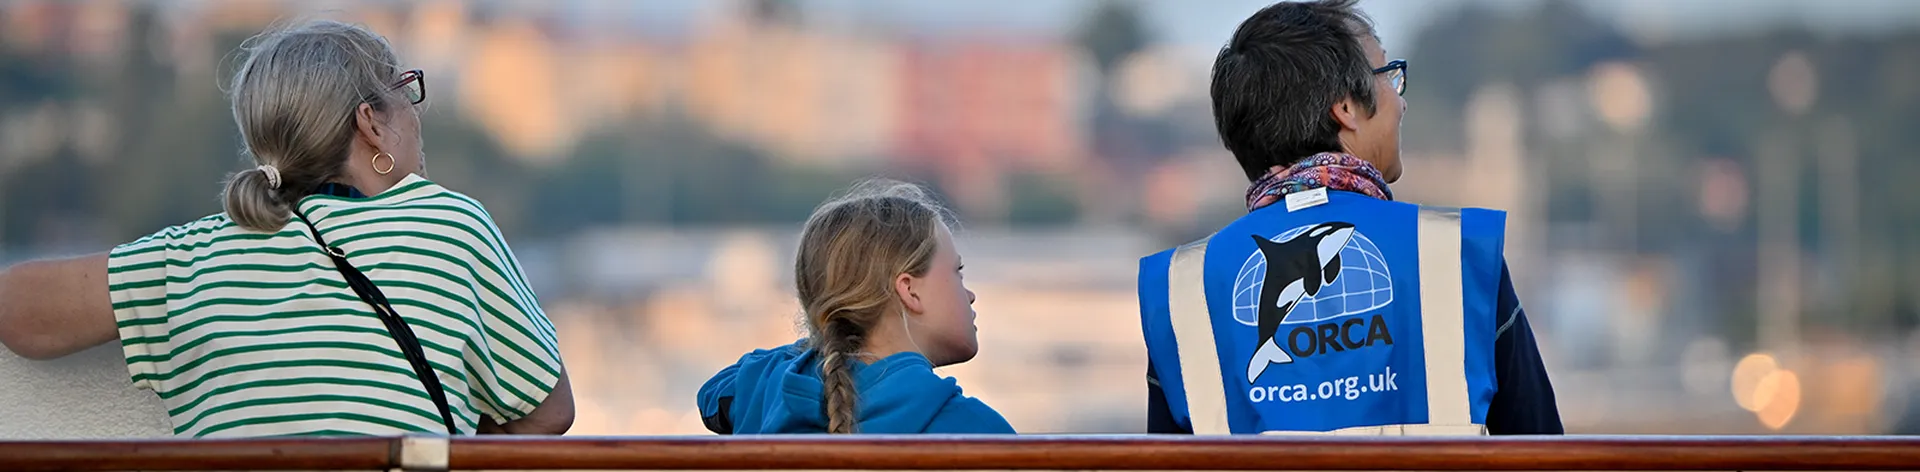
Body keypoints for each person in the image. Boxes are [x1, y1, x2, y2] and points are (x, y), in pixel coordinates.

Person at [0, 20, 572, 437]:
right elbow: (549, 412)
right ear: (371, 124)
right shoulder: (450, 224)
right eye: (406, 94)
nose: (416, 116)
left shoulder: (191, 256)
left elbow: (16, 308)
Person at [1137, 0, 1561, 435]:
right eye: (1389, 77)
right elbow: (1545, 449)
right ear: (1344, 107)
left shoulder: (1179, 287)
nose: (1401, 103)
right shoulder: (1458, 253)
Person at [697, 180, 1014, 434]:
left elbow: (715, 392)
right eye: (957, 273)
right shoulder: (973, 429)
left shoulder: (764, 391)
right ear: (909, 290)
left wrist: (821, 346)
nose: (969, 294)